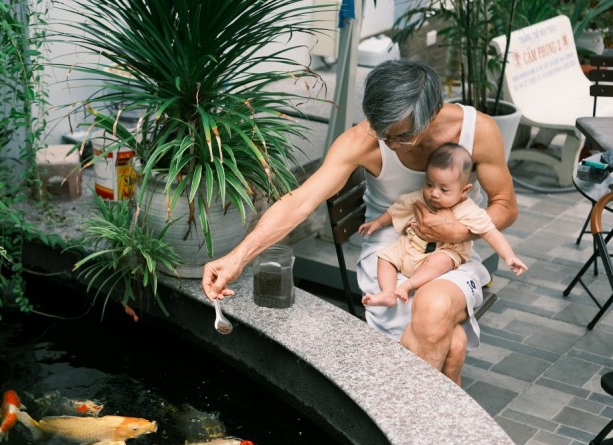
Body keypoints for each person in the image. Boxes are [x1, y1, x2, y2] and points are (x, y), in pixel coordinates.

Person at [201, 59, 519, 385]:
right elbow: (300, 201)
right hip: (390, 253)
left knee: (436, 309)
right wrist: (236, 258)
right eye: (382, 132)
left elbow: (506, 206)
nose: (389, 143)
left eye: (400, 135)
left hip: (452, 251)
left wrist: (458, 229)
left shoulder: (476, 131)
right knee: (449, 342)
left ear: (434, 112)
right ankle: (428, 419)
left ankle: (399, 416)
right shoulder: (364, 139)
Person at [358, 142, 527, 307]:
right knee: (385, 257)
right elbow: (396, 210)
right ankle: (387, 293)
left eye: (444, 190)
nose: (434, 193)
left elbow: (491, 233)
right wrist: (377, 223)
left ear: (464, 190)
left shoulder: (468, 210)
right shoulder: (419, 198)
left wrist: (509, 256)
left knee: (442, 259)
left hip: (441, 253)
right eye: (430, 184)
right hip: (410, 249)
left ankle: (408, 286)